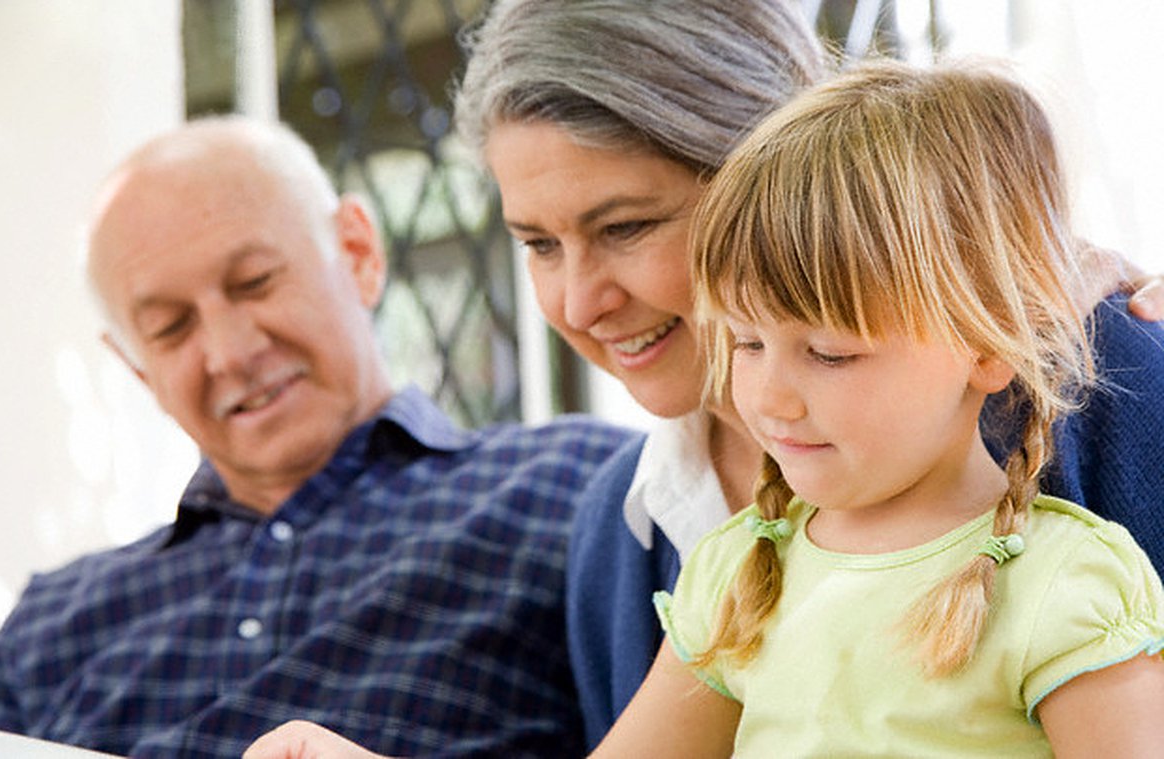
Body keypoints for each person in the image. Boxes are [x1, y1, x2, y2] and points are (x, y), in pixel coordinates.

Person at [245, 57, 1164, 759]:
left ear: (989, 343)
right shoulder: (741, 575)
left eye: (831, 351)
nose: (767, 393)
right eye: (747, 341)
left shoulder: (1068, 587)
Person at [0, 116, 634, 758]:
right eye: (171, 327)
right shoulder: (51, 627)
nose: (228, 351)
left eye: (255, 283)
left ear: (358, 253)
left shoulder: (579, 488)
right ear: (139, 370)